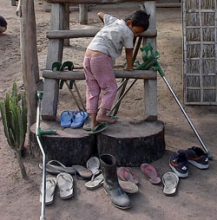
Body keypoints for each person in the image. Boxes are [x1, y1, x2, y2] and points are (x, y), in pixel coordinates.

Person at [83, 10, 150, 131]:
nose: (135, 35)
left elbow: (99, 13)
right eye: (136, 32)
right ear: (130, 23)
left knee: (92, 89)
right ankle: (102, 114)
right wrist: (130, 66)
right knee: (111, 87)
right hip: (101, 57)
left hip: (88, 55)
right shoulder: (128, 33)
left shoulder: (113, 21)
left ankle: (94, 123)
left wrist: (108, 24)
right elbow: (129, 52)